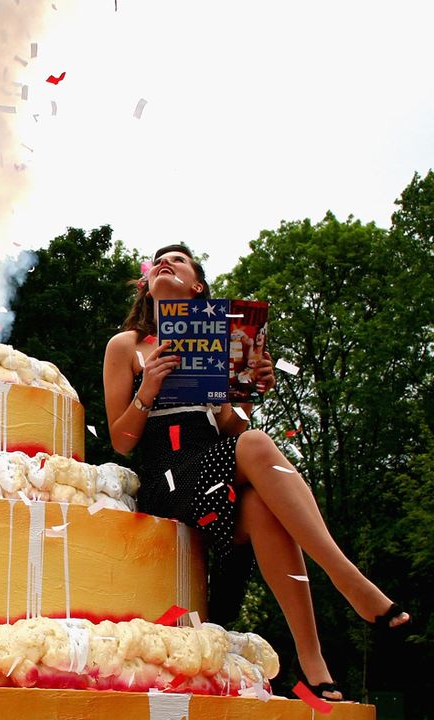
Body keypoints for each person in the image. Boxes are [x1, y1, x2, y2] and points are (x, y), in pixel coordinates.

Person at [102, 244, 410, 701]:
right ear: (146, 284)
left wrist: (246, 392)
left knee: (261, 504)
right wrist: (149, 388)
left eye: (179, 259)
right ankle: (349, 580)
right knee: (257, 442)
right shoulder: (126, 345)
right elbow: (121, 441)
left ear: (198, 286)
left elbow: (230, 426)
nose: (166, 261)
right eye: (158, 260)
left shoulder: (217, 343)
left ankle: (313, 664)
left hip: (216, 461)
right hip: (169, 476)